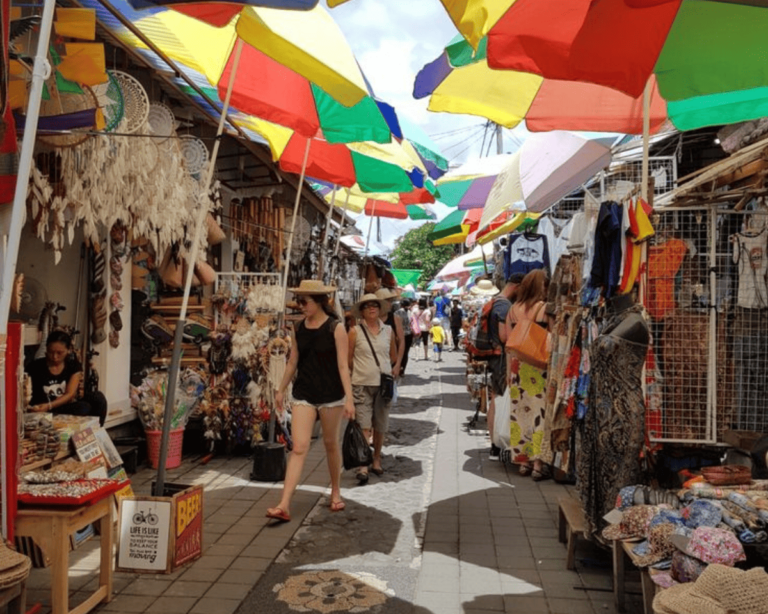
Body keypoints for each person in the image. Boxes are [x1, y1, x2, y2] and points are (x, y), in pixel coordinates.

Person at [267, 280, 355, 522]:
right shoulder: (298, 328)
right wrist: (280, 389)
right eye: (299, 301)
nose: (300, 306)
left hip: (331, 395)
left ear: (318, 303)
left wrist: (349, 398)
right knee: (298, 447)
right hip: (304, 393)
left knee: (330, 444)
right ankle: (284, 504)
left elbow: (342, 366)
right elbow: (293, 361)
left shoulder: (336, 328)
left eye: (304, 301)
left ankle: (335, 491)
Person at [505, 269, 551, 480]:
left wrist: (508, 372)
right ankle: (538, 463)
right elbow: (551, 341)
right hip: (538, 368)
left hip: (517, 367)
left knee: (520, 416)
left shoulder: (513, 309)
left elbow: (509, 342)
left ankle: (523, 462)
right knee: (539, 415)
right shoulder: (543, 309)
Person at [348, 293, 397, 484]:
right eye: (367, 306)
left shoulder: (388, 331)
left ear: (379, 309)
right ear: (362, 311)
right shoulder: (355, 331)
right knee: (364, 424)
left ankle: (376, 459)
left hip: (383, 385)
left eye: (375, 305)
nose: (371, 308)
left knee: (380, 425)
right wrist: (360, 372)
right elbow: (348, 359)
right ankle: (362, 463)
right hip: (361, 384)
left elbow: (392, 355)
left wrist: (387, 369)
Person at [477, 274, 523, 459]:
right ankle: (497, 443)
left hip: (494, 357)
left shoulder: (495, 301)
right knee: (500, 399)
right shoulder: (504, 305)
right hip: (502, 357)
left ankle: (495, 444)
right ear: (517, 286)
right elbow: (505, 336)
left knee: (496, 398)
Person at [27, 330, 108, 425]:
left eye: (59, 353)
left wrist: (49, 405)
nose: (54, 357)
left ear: (68, 350)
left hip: (61, 405)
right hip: (45, 408)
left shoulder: (73, 365)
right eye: (51, 352)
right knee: (83, 407)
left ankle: (97, 431)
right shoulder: (35, 366)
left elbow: (70, 394)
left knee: (98, 398)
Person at [375, 288, 404, 379]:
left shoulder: (395, 318)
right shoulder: (370, 319)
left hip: (390, 362)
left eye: (390, 301)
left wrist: (398, 364)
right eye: (386, 301)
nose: (389, 304)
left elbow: (401, 341)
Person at [395, 299, 413, 376]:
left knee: (399, 352)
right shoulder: (409, 312)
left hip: (400, 334)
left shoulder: (397, 312)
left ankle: (398, 367)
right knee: (405, 353)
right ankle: (402, 370)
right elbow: (411, 322)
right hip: (408, 334)